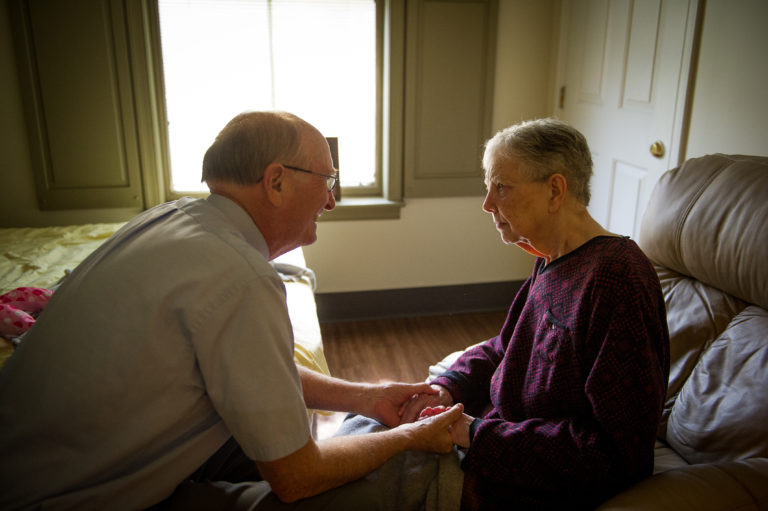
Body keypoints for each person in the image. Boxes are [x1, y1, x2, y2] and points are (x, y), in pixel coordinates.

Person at [0, 111, 464, 511]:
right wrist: (410, 438)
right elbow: (298, 477)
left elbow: (252, 372)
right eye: (327, 181)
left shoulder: (168, 218)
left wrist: (365, 398)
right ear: (276, 181)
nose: (330, 200)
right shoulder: (241, 277)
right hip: (63, 499)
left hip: (31, 465)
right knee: (365, 497)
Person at [395, 118, 671, 510]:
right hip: (492, 442)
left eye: (501, 187)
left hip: (519, 483)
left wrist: (475, 435)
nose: (487, 204)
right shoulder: (552, 260)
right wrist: (448, 386)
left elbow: (615, 451)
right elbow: (507, 347)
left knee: (367, 475)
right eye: (487, 187)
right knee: (369, 430)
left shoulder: (616, 277)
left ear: (555, 191)